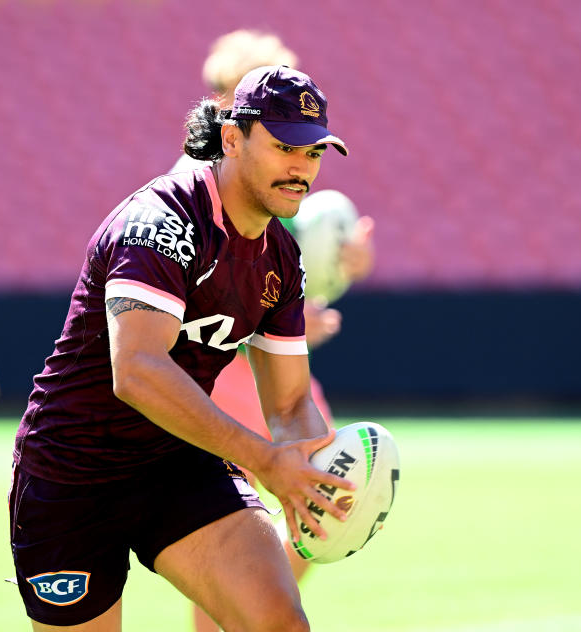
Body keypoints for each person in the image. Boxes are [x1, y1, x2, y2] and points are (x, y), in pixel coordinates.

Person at [10, 65, 354, 631]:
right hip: (71, 469)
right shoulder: (161, 222)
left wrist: (324, 481)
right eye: (285, 146)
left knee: (278, 624)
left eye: (313, 153)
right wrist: (265, 459)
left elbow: (291, 408)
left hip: (173, 460)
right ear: (232, 139)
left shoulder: (281, 260)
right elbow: (138, 370)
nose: (301, 168)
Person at [171, 30, 376, 632]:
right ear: (225, 107)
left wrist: (340, 269)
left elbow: (287, 273)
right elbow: (197, 300)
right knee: (259, 525)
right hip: (215, 370)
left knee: (320, 502)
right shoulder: (193, 186)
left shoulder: (277, 183)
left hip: (268, 369)